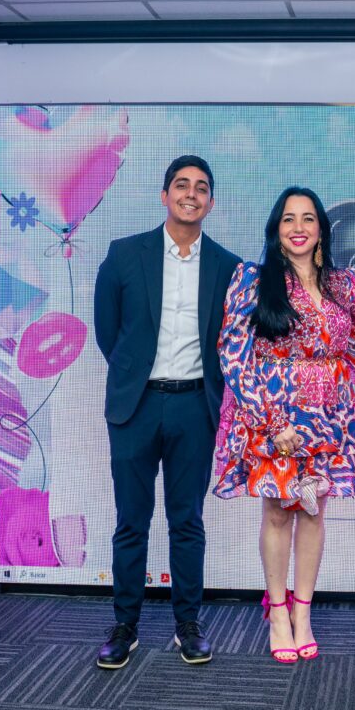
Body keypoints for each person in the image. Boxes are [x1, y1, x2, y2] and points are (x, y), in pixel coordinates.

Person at [215, 186, 355, 663]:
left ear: (322, 229)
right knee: (277, 512)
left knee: (313, 512)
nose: (299, 227)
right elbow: (234, 354)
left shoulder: (343, 284)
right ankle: (278, 614)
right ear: (276, 228)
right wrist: (269, 424)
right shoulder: (253, 278)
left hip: (330, 416)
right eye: (289, 218)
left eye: (308, 218)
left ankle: (303, 613)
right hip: (277, 415)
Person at [93, 155, 241, 669]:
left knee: (187, 522)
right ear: (165, 195)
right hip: (135, 407)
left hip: (194, 408)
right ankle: (125, 626)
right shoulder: (124, 254)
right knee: (131, 522)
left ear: (211, 202)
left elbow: (230, 340)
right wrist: (136, 377)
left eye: (201, 187)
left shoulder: (228, 266)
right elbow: (108, 332)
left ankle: (188, 626)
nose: (190, 194)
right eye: (181, 185)